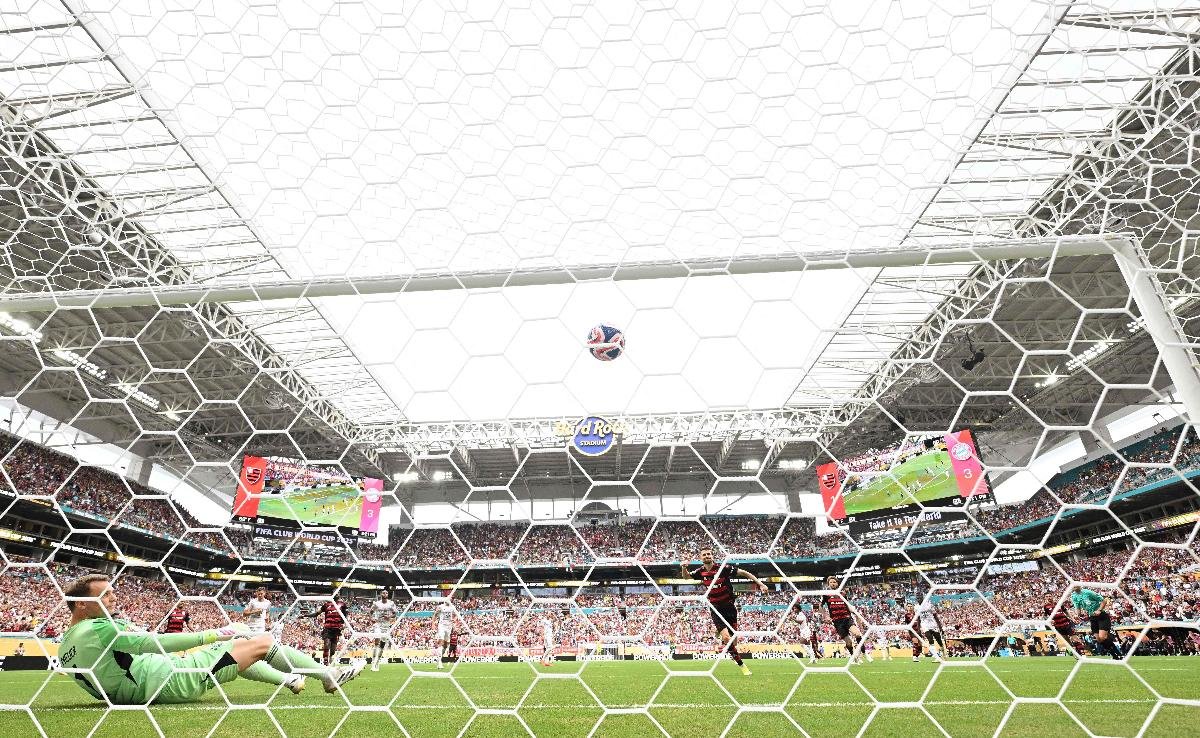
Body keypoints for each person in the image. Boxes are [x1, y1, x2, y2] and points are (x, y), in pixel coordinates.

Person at [56, 574, 362, 705]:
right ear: (81, 603)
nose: (114, 598)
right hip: (170, 682)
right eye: (105, 594)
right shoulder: (99, 627)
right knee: (262, 642)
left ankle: (291, 680)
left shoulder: (68, 642)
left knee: (228, 654)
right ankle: (327, 675)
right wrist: (217, 631)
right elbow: (155, 643)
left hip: (145, 685)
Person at [680, 547, 768, 676]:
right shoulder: (700, 572)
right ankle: (742, 665)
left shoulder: (723, 569)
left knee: (734, 640)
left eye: (708, 554)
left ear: (712, 555)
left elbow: (744, 573)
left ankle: (729, 648)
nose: (707, 556)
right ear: (701, 558)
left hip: (729, 607)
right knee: (727, 638)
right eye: (704, 554)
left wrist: (760, 584)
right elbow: (686, 577)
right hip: (715, 608)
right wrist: (683, 567)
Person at [822, 576, 870, 664]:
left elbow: (847, 604)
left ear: (837, 583)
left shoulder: (842, 593)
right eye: (831, 582)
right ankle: (853, 657)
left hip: (847, 618)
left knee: (857, 634)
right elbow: (820, 606)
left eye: (834, 582)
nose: (833, 584)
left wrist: (853, 610)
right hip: (837, 621)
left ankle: (864, 652)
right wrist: (825, 616)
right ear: (828, 584)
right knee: (849, 642)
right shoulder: (826, 594)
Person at [1070, 587, 1123, 659]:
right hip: (1092, 618)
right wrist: (1078, 615)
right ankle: (1115, 655)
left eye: (1076, 585)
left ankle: (1118, 654)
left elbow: (1103, 601)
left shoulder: (1088, 592)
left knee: (1102, 637)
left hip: (1102, 617)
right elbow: (1078, 608)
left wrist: (1099, 610)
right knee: (1098, 639)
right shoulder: (1073, 596)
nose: (1074, 587)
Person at [310, 594, 347, 666]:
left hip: (336, 630)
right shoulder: (326, 605)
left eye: (338, 593)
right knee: (326, 645)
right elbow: (316, 614)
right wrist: (306, 615)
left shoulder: (342, 605)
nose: (337, 594)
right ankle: (325, 663)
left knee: (333, 651)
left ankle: (330, 659)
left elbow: (345, 616)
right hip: (327, 629)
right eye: (335, 593)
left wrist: (343, 625)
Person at [369, 590, 397, 672]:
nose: (385, 594)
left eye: (386, 593)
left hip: (386, 626)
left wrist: (390, 617)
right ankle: (373, 662)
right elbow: (370, 612)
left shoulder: (391, 603)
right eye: (383, 593)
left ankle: (377, 663)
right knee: (377, 641)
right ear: (381, 594)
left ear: (388, 595)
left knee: (382, 645)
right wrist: (371, 619)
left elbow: (395, 613)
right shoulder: (376, 603)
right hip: (378, 624)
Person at [915, 596, 945, 662]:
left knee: (938, 640)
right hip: (924, 625)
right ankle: (936, 656)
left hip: (932, 624)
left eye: (919, 597)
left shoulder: (929, 605)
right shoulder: (916, 607)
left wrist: (940, 627)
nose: (918, 598)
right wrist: (919, 629)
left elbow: (935, 616)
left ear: (923, 598)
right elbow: (918, 619)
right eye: (917, 597)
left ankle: (944, 654)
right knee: (930, 639)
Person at [434, 598, 455, 670]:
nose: (450, 600)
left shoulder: (452, 607)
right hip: (442, 626)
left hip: (449, 627)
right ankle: (440, 662)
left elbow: (454, 616)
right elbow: (435, 614)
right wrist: (433, 624)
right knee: (441, 642)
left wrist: (454, 622)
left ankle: (439, 658)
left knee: (446, 645)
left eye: (451, 599)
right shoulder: (441, 607)